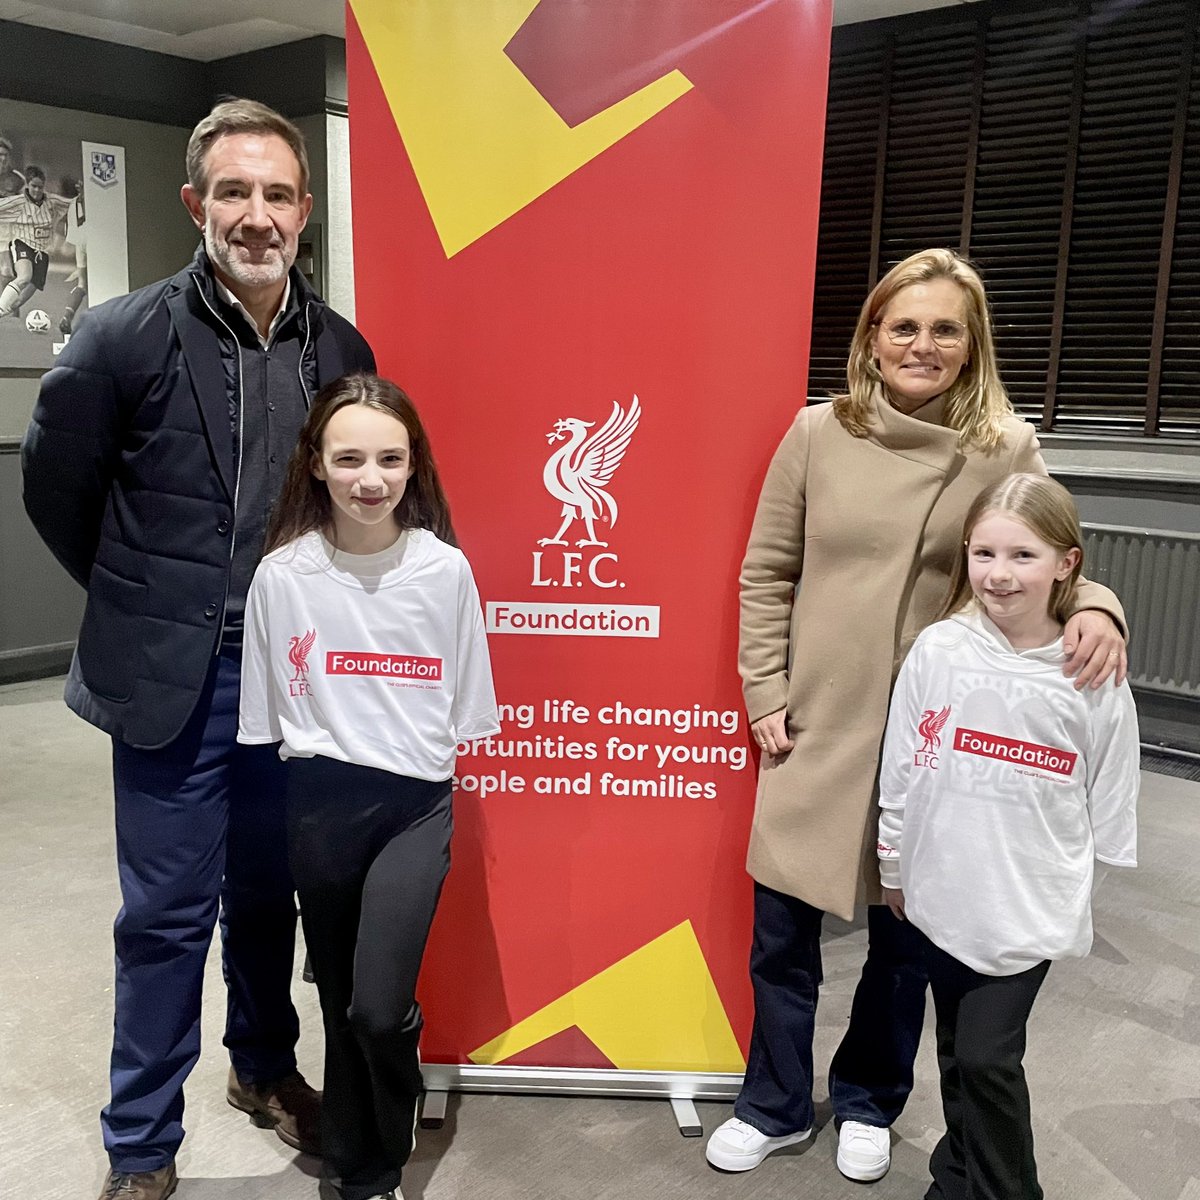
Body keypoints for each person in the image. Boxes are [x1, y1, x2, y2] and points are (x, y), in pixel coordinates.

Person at [706, 248, 1128, 1182]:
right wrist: (765, 690)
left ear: (971, 344)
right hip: (818, 720)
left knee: (906, 937)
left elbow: (1055, 550)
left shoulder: (1004, 444)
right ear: (872, 335)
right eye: (904, 325)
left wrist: (1099, 605)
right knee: (783, 932)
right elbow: (766, 571)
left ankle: (868, 1097)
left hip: (938, 739)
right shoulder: (817, 431)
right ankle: (772, 1099)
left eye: (945, 328)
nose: (923, 345)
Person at [22, 99, 375, 1200]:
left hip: (297, 678)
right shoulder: (118, 335)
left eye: (277, 194)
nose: (257, 215)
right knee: (165, 916)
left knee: (273, 896)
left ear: (305, 212)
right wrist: (149, 603)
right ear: (195, 204)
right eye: (235, 191)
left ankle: (264, 1070)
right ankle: (140, 1144)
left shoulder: (341, 347)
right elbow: (58, 495)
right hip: (175, 683)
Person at [238, 373, 500, 1200]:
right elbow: (264, 713)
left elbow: (468, 706)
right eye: (347, 458)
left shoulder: (445, 571)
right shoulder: (282, 578)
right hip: (318, 806)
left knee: (379, 1011)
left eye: (389, 458)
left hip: (414, 808)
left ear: (413, 463)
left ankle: (390, 1114)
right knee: (342, 1001)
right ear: (315, 465)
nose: (370, 478)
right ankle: (365, 1167)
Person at [877, 472, 1139, 1200]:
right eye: (983, 554)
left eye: (1022, 555)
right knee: (958, 1050)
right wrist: (893, 864)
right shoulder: (939, 650)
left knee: (990, 1056)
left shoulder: (1090, 670)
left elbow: (1112, 787)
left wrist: (1086, 884)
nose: (998, 575)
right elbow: (903, 763)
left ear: (1067, 564)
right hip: (941, 890)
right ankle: (957, 1172)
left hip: (1026, 903)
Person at [0, 166, 71, 317]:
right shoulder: (18, 202)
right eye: (33, 186)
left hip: (42, 251)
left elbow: (73, 204)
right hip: (21, 243)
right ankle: (0, 308)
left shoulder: (52, 201)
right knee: (24, 277)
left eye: (40, 187)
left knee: (32, 286)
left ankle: (10, 314)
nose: (37, 190)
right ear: (27, 185)